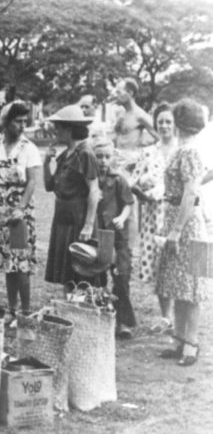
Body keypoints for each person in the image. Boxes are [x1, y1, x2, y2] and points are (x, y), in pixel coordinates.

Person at [157, 99, 212, 366]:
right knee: (179, 285)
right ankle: (179, 339)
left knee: (192, 287)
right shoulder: (186, 151)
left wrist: (176, 231)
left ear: (178, 123)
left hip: (191, 227)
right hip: (184, 221)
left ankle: (191, 343)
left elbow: (190, 193)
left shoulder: (189, 152)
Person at [0, 101, 41, 320]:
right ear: (6, 123)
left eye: (24, 121)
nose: (22, 125)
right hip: (2, 211)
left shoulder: (29, 148)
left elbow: (32, 183)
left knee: (22, 263)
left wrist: (20, 208)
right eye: (18, 121)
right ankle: (10, 310)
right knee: (9, 264)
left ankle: (25, 312)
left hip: (20, 212)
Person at [129, 103, 177, 330]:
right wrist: (142, 191)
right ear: (155, 126)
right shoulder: (149, 152)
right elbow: (133, 181)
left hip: (175, 214)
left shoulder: (182, 150)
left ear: (175, 124)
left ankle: (180, 317)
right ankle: (166, 317)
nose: (165, 125)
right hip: (152, 214)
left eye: (168, 121)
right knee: (159, 266)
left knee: (176, 265)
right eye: (161, 122)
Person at [43, 105, 100, 292]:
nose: (55, 131)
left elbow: (94, 190)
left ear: (69, 129)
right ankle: (69, 308)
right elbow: (49, 186)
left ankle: (80, 309)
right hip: (62, 218)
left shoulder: (85, 153)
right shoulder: (65, 154)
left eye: (58, 127)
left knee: (81, 268)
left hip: (78, 218)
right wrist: (46, 163)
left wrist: (89, 225)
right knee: (67, 271)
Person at [93, 139, 137, 339]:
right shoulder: (91, 180)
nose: (103, 161)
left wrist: (122, 217)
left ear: (113, 158)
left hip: (118, 236)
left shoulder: (118, 179)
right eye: (99, 156)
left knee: (121, 277)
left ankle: (123, 322)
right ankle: (102, 317)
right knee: (97, 276)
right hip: (98, 235)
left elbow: (129, 203)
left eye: (107, 156)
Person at [109, 78, 159, 173]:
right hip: (116, 162)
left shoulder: (140, 115)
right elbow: (113, 138)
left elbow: (159, 137)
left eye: (119, 92)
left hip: (131, 165)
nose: (116, 95)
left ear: (130, 93)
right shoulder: (121, 115)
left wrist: (145, 151)